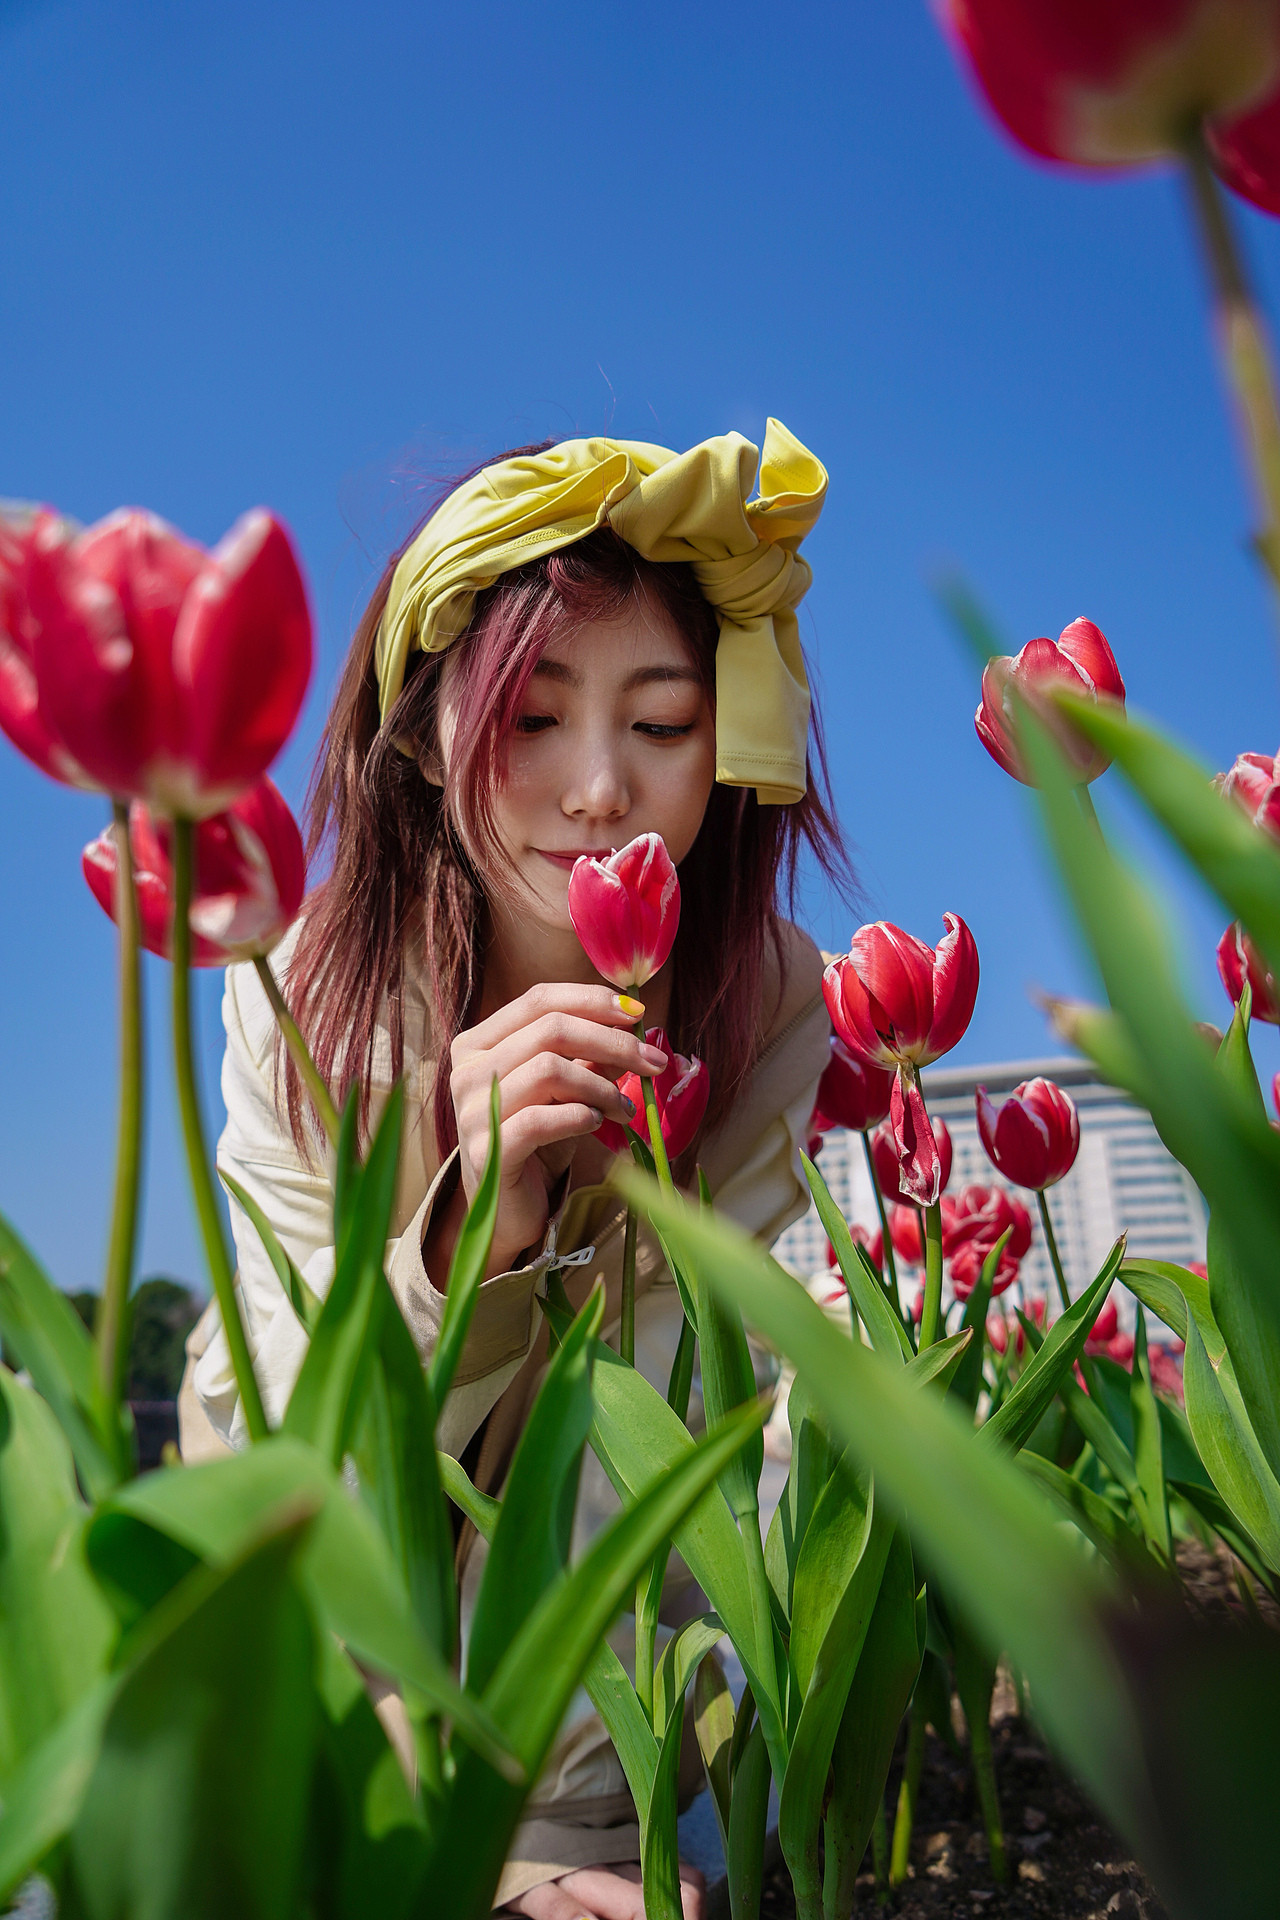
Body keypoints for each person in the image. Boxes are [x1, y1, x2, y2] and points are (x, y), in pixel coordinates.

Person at [178, 422, 849, 1919]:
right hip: (323, 1715)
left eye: (664, 725)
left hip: (612, 1754)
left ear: (727, 748)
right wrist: (472, 1233)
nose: (600, 789)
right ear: (423, 736)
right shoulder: (297, 990)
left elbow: (688, 1441)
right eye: (532, 719)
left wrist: (590, 1843)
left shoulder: (769, 1002)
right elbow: (292, 1442)